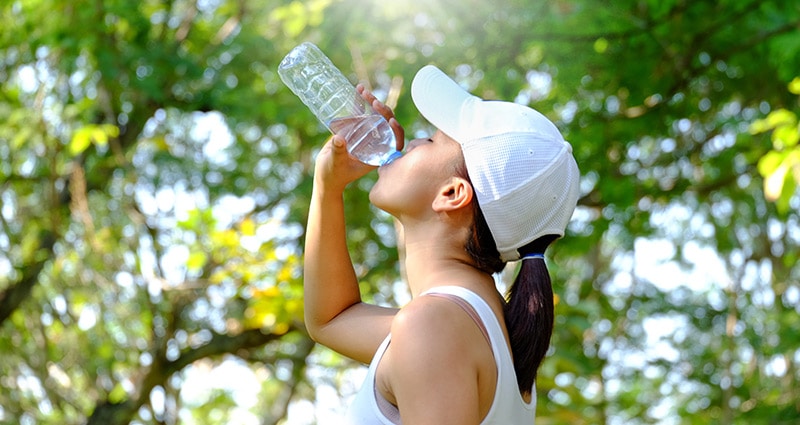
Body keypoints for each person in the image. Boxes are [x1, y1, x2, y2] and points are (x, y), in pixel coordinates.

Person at [303, 64, 580, 424]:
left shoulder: (436, 324)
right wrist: (328, 185)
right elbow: (330, 320)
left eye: (430, 141)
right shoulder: (478, 326)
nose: (411, 141)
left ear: (451, 193)